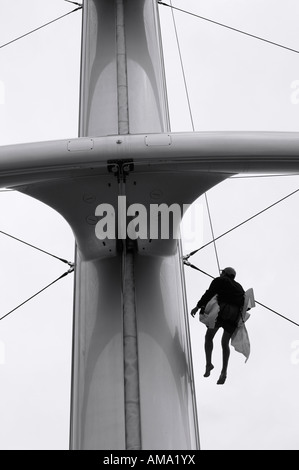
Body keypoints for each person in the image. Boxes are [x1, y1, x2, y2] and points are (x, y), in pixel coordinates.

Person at [191, 267, 245, 385]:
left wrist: (198, 306)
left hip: (222, 311)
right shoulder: (240, 287)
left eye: (222, 272)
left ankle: (209, 364)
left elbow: (209, 293)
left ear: (225, 273)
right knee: (225, 343)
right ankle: (224, 371)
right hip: (234, 316)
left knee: (209, 337)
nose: (220, 274)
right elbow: (245, 303)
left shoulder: (220, 280)